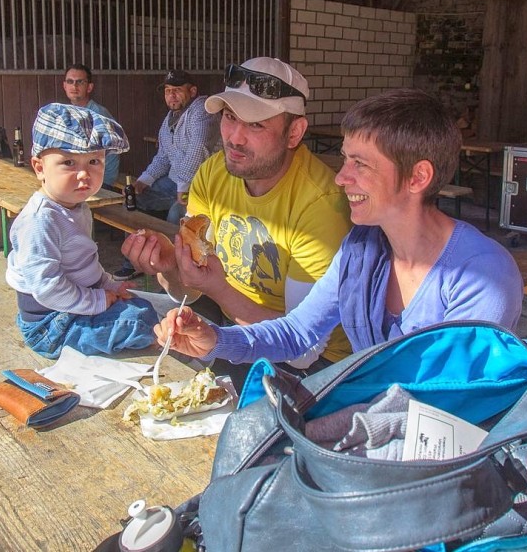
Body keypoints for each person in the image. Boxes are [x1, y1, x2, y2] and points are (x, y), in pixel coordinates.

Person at [151, 88, 524, 369]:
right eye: (345, 160)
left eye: (360, 165)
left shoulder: (481, 275)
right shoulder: (361, 248)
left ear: (418, 177)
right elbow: (298, 333)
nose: (342, 178)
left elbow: (443, 403)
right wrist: (214, 339)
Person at [121, 57, 353, 380]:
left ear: (294, 132)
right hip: (236, 331)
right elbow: (192, 289)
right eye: (230, 117)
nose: (234, 138)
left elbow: (303, 350)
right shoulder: (213, 174)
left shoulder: (320, 205)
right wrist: (170, 265)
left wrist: (217, 289)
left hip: (315, 368)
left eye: (256, 124)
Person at [6, 103, 158, 359]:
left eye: (94, 161)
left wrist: (109, 286)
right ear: (40, 167)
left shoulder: (78, 207)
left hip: (71, 308)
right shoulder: (40, 220)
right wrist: (99, 301)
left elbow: (84, 263)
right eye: (68, 162)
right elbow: (47, 287)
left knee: (140, 306)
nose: (84, 174)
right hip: (50, 325)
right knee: (140, 322)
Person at [114, 69, 221, 280]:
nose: (171, 96)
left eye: (177, 90)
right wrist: (144, 181)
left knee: (176, 215)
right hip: (175, 182)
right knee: (133, 201)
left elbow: (198, 149)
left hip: (202, 185)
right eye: (168, 91)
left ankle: (177, 270)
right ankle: (136, 261)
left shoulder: (202, 110)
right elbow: (163, 156)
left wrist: (182, 188)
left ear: (192, 91)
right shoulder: (170, 118)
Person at [63, 63, 120, 190]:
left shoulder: (98, 115)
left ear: (89, 87)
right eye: (70, 81)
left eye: (80, 82)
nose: (74, 86)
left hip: (100, 180)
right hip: (80, 175)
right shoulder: (67, 113)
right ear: (64, 86)